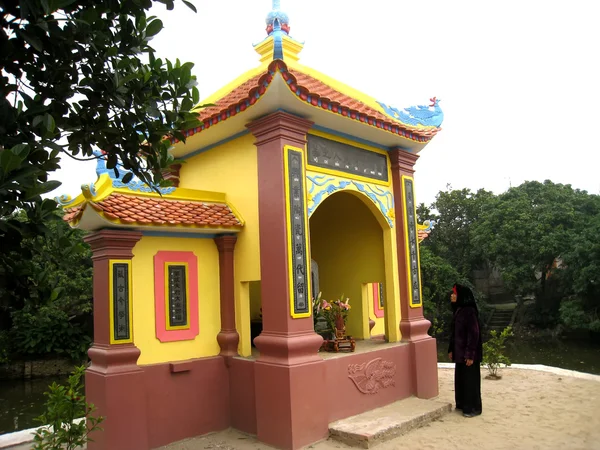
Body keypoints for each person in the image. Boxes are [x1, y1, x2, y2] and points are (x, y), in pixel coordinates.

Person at [448, 283, 483, 417]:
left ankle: (472, 408)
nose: (452, 296)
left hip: (468, 354)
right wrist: (451, 350)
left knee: (470, 381)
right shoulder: (458, 310)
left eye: (454, 294)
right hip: (459, 353)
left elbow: (474, 334)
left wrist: (470, 354)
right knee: (461, 379)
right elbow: (454, 333)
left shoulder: (469, 311)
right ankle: (462, 404)